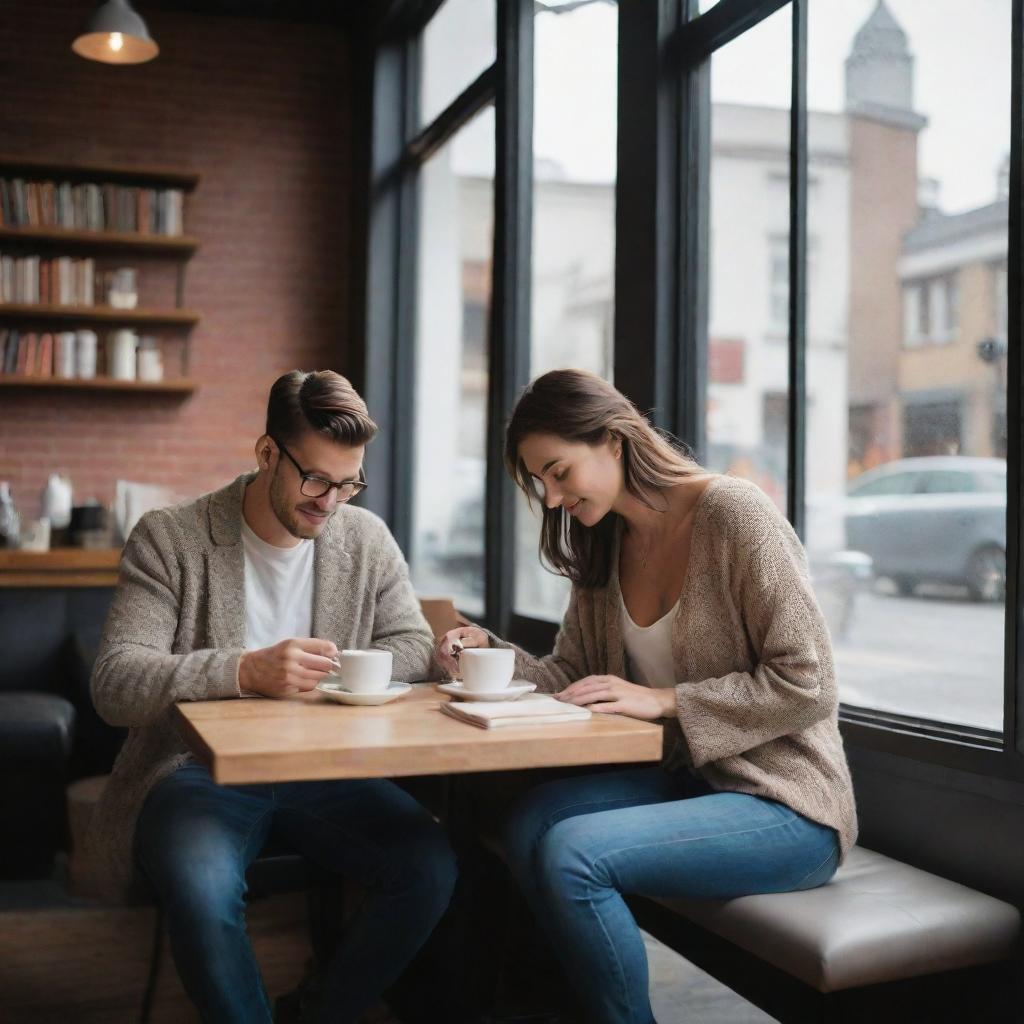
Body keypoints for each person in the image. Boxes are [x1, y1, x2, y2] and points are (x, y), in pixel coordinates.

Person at [436, 369, 857, 1024]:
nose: (550, 499)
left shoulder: (733, 514)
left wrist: (665, 702)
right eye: (538, 484)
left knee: (572, 854)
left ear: (612, 438)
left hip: (785, 802)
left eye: (558, 471)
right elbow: (572, 673)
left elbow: (810, 682)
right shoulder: (605, 540)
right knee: (527, 822)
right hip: (692, 781)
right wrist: (484, 652)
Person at [89, 370, 457, 1024]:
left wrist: (343, 669)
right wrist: (243, 671)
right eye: (315, 479)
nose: (330, 503)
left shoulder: (363, 538)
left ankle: (317, 1010)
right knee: (202, 887)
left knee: (429, 864)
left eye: (349, 483)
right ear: (266, 454)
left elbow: (411, 644)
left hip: (326, 771)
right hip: (195, 772)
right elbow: (116, 681)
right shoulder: (171, 538)